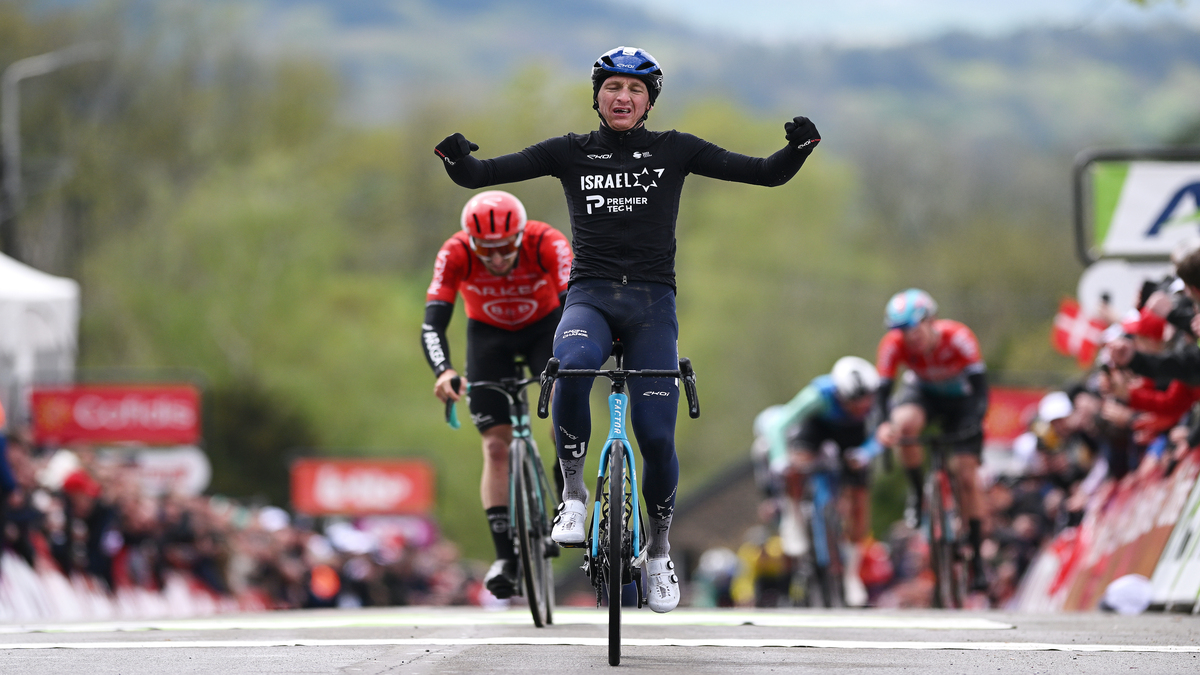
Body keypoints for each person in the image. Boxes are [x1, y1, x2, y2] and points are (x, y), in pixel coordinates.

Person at [434, 45, 821, 613]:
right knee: (566, 369)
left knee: (657, 433)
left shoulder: (676, 149)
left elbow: (763, 175)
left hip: (651, 305)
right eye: (613, 87)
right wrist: (454, 158)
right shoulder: (570, 152)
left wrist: (798, 149)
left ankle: (660, 552)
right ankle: (573, 494)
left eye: (635, 90)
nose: (623, 97)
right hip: (589, 297)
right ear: (597, 96)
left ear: (649, 100)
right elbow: (484, 174)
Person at [421, 190, 573, 600]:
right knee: (495, 447)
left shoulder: (546, 241)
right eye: (486, 250)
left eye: (506, 247)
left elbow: (574, 299)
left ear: (520, 237)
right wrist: (444, 371)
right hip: (488, 337)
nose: (498, 257)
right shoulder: (453, 253)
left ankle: (568, 505)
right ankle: (506, 556)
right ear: (470, 242)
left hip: (546, 327)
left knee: (565, 411)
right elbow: (433, 323)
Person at [871, 288, 991, 592]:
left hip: (961, 400)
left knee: (966, 474)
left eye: (914, 328)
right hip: (923, 394)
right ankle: (916, 492)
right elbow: (883, 395)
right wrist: (885, 426)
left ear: (931, 320)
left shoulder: (959, 337)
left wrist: (975, 425)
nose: (909, 338)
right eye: (902, 332)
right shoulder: (893, 345)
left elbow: (980, 390)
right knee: (904, 424)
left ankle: (976, 558)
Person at [759, 356, 886, 607]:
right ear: (839, 393)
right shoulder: (818, 394)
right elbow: (779, 425)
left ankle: (851, 575)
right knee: (795, 465)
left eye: (865, 401)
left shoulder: (877, 399)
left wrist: (866, 453)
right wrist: (779, 458)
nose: (859, 406)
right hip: (817, 429)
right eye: (852, 402)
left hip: (854, 438)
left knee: (859, 499)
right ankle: (793, 516)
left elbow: (883, 434)